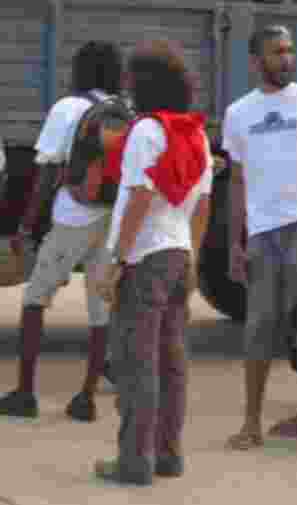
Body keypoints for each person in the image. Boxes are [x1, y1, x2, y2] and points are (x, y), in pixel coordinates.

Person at [0, 41, 124, 422]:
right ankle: (86, 397)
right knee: (100, 308)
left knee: (35, 299)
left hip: (72, 217)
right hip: (112, 218)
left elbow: (46, 172)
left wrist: (26, 226)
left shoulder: (68, 108)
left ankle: (25, 393)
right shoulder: (127, 111)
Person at [222, 24, 297, 450]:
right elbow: (236, 182)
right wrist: (235, 242)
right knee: (258, 326)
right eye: (277, 52)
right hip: (261, 233)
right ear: (256, 62)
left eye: (291, 50)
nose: (287, 59)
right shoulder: (238, 113)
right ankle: (251, 422)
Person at [93, 40, 213, 485]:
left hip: (145, 257)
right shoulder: (196, 132)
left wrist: (118, 260)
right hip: (180, 253)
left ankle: (133, 462)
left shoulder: (147, 131)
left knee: (137, 362)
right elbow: (203, 205)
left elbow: (140, 195)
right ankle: (168, 454)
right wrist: (195, 256)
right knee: (172, 362)